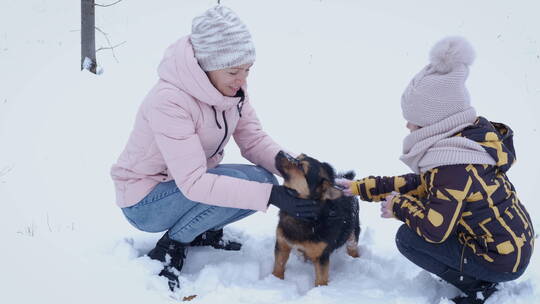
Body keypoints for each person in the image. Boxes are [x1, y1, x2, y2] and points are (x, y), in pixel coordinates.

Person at [110, 5, 320, 291]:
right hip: (145, 202)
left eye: (247, 70)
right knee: (259, 190)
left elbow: (253, 139)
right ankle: (171, 247)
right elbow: (195, 183)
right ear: (206, 65)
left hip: (183, 185)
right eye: (234, 71)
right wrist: (274, 196)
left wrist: (296, 170)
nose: (242, 80)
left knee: (261, 180)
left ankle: (201, 230)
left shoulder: (231, 90)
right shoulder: (170, 100)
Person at [337, 37, 534, 304]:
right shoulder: (467, 144)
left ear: (435, 123)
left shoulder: (453, 166)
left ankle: (481, 288)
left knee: (409, 239)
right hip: (512, 244)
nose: (408, 126)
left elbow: (434, 230)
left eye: (415, 122)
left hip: (501, 259)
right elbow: (422, 183)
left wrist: (400, 207)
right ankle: (476, 273)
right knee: (431, 212)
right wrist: (362, 188)